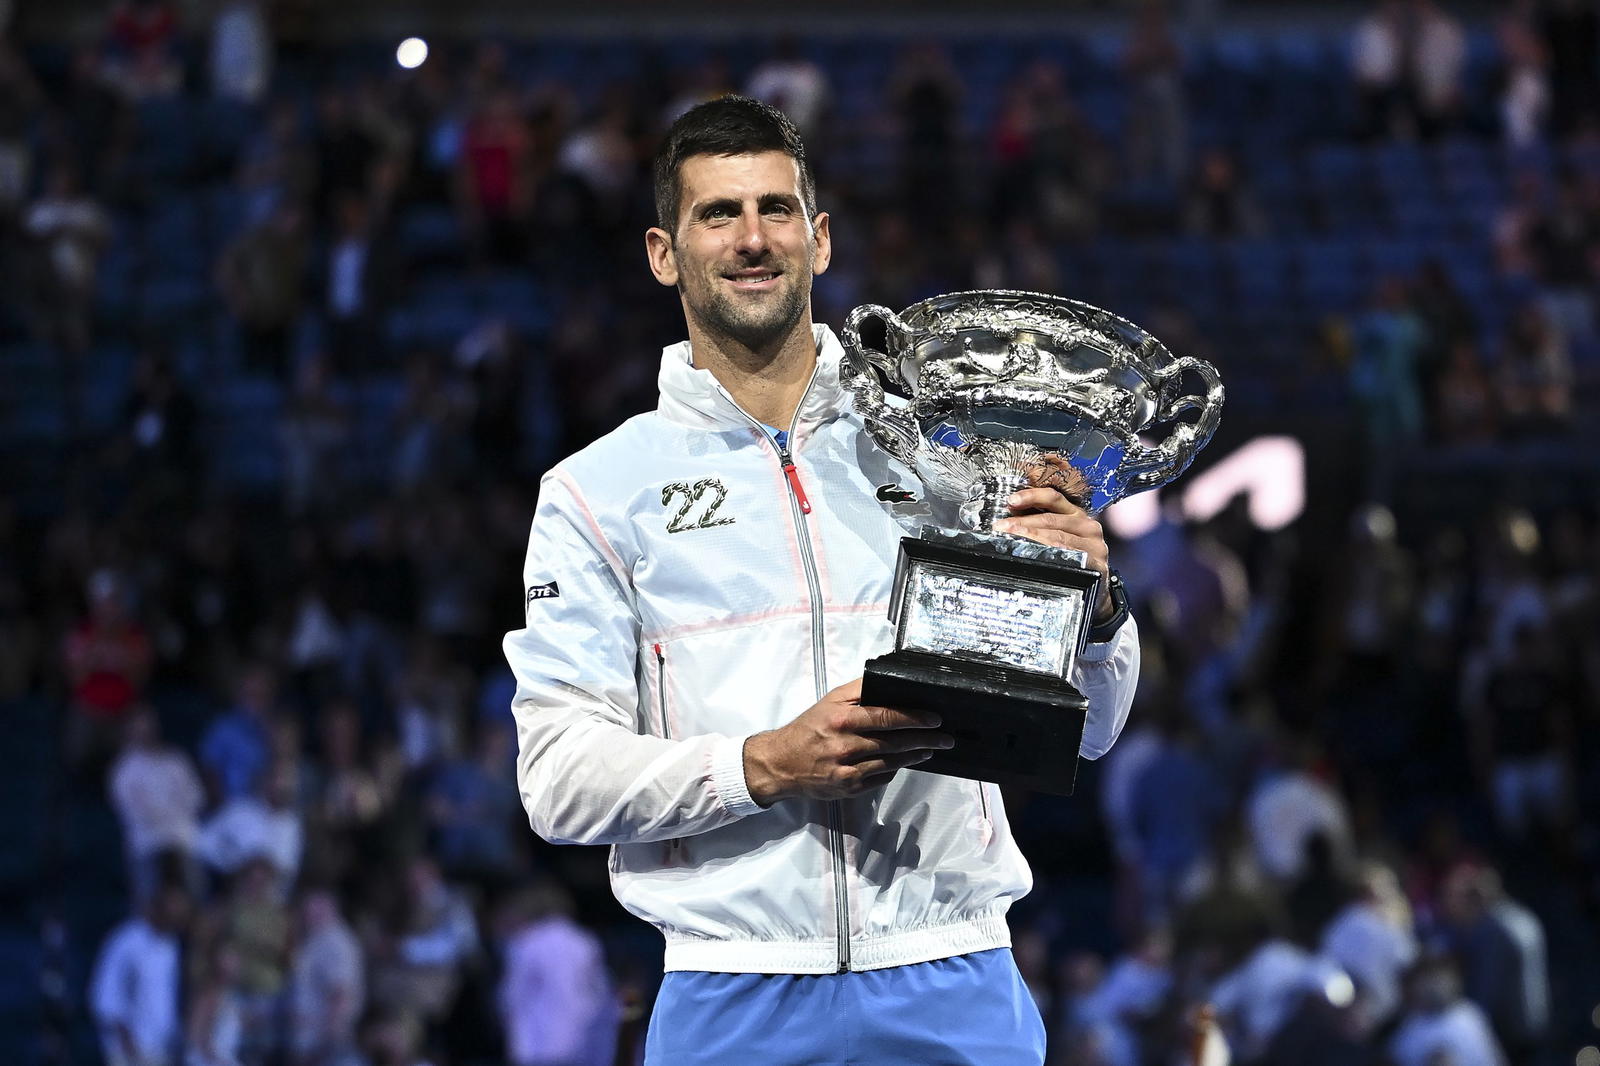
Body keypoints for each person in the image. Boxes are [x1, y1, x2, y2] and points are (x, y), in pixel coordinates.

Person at [502, 96, 1139, 1065]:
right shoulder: (598, 492)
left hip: (952, 972)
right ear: (662, 252)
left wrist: (1091, 610)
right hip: (732, 992)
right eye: (718, 213)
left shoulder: (953, 453)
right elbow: (556, 779)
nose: (752, 239)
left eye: (776, 209)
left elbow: (1090, 729)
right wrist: (760, 763)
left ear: (821, 238)